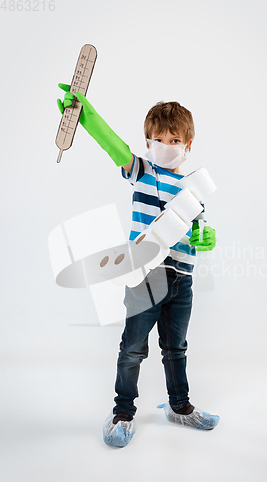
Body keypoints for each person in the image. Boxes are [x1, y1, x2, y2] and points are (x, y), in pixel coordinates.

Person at [57, 85, 220, 447]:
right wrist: (87, 116)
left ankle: (179, 407)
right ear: (148, 143)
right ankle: (122, 414)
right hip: (144, 274)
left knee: (175, 347)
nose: (167, 145)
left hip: (182, 280)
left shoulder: (193, 191)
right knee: (133, 348)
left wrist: (207, 238)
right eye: (158, 139)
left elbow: (201, 230)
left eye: (175, 139)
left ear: (188, 145)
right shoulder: (143, 172)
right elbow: (113, 146)